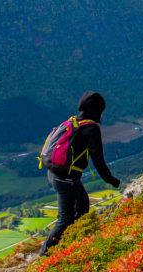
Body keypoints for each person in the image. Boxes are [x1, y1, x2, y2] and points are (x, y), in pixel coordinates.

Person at [39, 91, 120, 257]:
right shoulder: (91, 129)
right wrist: (111, 180)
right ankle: (44, 256)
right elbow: (98, 160)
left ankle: (71, 244)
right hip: (66, 179)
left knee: (82, 206)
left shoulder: (73, 121)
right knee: (65, 219)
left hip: (55, 173)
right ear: (97, 110)